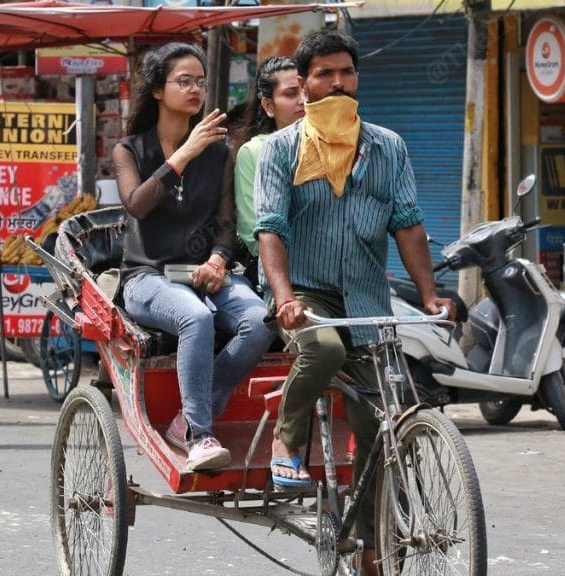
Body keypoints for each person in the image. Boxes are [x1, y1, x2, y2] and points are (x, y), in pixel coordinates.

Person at [254, 30, 455, 574]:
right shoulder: (281, 149)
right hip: (307, 294)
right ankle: (287, 440)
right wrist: (285, 297)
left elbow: (408, 225)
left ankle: (369, 550)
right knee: (322, 352)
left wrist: (432, 294)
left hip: (366, 295)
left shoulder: (388, 147)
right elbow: (269, 229)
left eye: (345, 71)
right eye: (324, 73)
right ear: (304, 83)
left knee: (378, 427)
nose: (337, 81)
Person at [113, 43, 274, 472]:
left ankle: (186, 419)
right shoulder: (130, 150)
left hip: (203, 272)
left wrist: (220, 259)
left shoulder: (219, 153)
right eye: (184, 81)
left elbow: (225, 223)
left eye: (200, 82)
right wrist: (184, 153)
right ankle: (202, 435)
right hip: (148, 277)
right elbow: (137, 204)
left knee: (260, 321)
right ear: (157, 91)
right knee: (195, 318)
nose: (195, 89)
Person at [231, 56, 305, 287]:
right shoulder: (253, 152)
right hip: (276, 275)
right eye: (291, 94)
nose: (303, 100)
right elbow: (250, 231)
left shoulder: (333, 147)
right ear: (269, 106)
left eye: (306, 91)